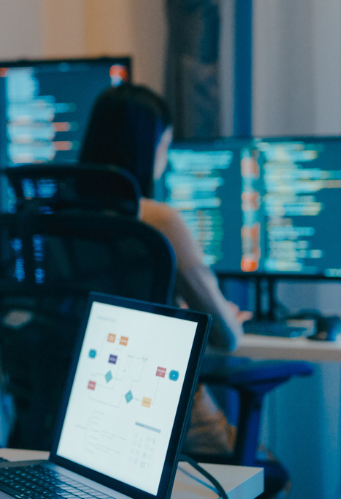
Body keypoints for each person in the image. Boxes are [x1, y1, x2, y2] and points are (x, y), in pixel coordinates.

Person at [78, 83, 251, 455]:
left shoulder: (54, 219)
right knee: (269, 473)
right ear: (149, 148)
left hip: (80, 410)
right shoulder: (158, 220)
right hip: (152, 404)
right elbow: (227, 338)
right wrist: (227, 316)